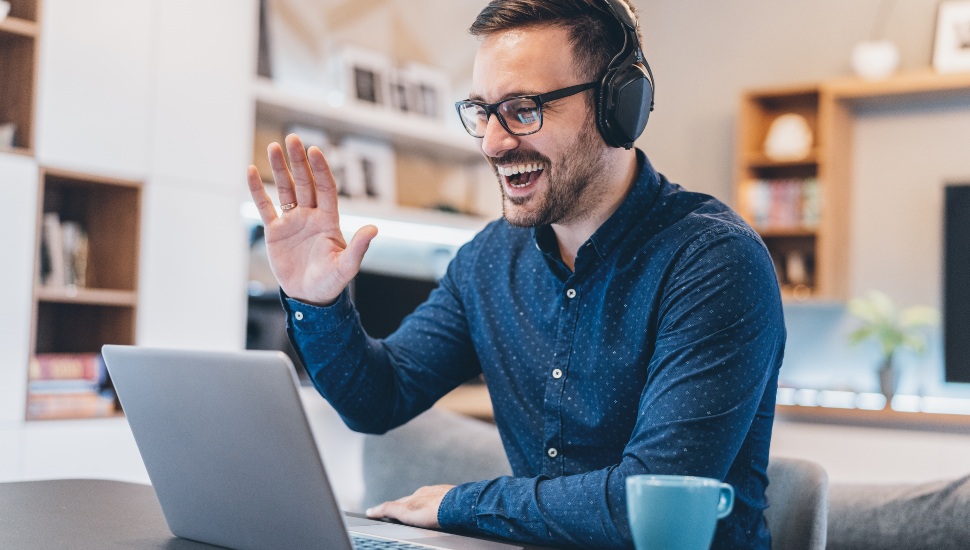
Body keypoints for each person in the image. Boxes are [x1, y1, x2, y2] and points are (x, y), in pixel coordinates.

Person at [245, 1, 785, 548]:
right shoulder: (488, 261)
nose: (493, 142)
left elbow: (644, 503)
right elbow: (377, 399)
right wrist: (317, 301)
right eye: (482, 111)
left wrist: (460, 504)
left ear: (617, 105)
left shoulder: (715, 262)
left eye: (524, 109)